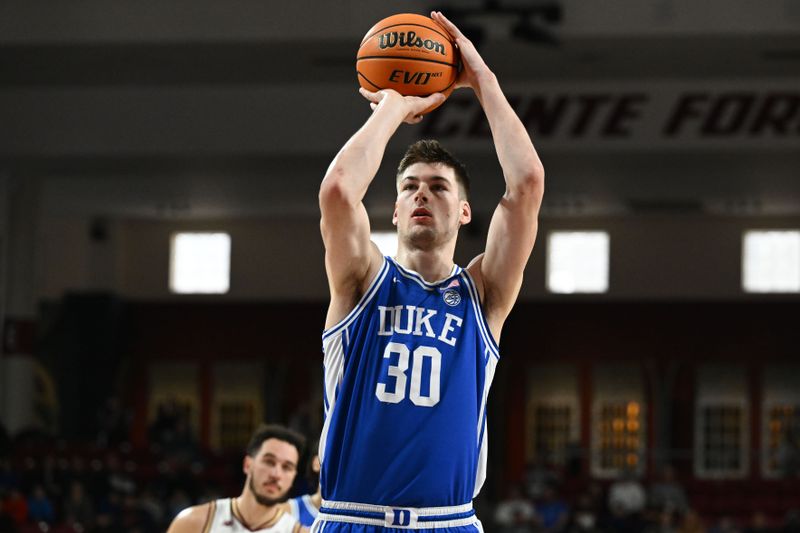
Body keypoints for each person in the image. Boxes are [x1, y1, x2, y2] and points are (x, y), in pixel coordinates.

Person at [316, 10, 544, 531]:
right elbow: (337, 192)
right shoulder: (361, 279)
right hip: (353, 516)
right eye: (409, 187)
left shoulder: (483, 294)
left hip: (449, 521)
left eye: (439, 187)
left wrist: (482, 82)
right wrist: (393, 107)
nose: (422, 193)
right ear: (393, 212)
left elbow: (528, 183)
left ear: (465, 212)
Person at [166, 424, 307, 533]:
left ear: (294, 476)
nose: (276, 474)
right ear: (247, 464)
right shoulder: (193, 522)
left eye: (287, 467)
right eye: (269, 462)